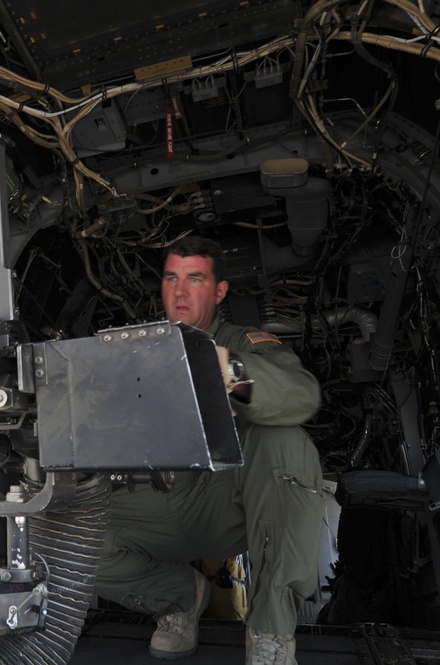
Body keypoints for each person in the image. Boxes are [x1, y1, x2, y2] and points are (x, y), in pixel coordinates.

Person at [95, 236, 325, 665]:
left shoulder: (247, 342)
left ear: (219, 291)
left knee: (283, 439)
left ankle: (270, 631)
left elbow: (300, 394)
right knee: (69, 531)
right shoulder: (133, 352)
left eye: (195, 278)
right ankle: (180, 599)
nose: (180, 291)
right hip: (151, 501)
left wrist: (232, 372)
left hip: (224, 499)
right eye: (171, 278)